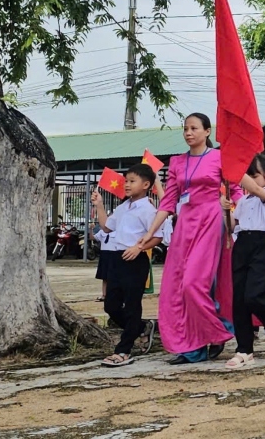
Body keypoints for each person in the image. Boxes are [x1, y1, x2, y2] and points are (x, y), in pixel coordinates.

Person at [138, 113, 238, 365]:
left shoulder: (219, 157)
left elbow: (237, 191)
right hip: (185, 225)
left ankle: (218, 331)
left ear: (207, 132)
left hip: (211, 220)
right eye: (185, 128)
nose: (188, 132)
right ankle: (193, 347)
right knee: (179, 287)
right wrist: (150, 232)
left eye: (194, 128)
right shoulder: (177, 162)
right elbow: (169, 200)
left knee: (195, 283)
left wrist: (232, 208)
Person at [223, 154, 265, 368]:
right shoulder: (242, 201)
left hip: (263, 244)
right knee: (240, 301)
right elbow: (234, 226)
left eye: (255, 175)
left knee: (254, 296)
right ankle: (244, 349)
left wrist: (234, 168)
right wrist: (224, 209)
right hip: (242, 245)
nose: (250, 180)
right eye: (248, 175)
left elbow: (256, 189)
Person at [93, 164, 163, 367]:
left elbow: (157, 236)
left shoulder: (148, 209)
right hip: (116, 259)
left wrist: (138, 248)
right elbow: (107, 226)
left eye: (132, 181)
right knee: (111, 305)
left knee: (132, 306)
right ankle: (142, 327)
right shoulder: (123, 207)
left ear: (146, 184)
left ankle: (123, 350)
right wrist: (99, 205)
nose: (127, 185)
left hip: (135, 261)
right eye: (126, 181)